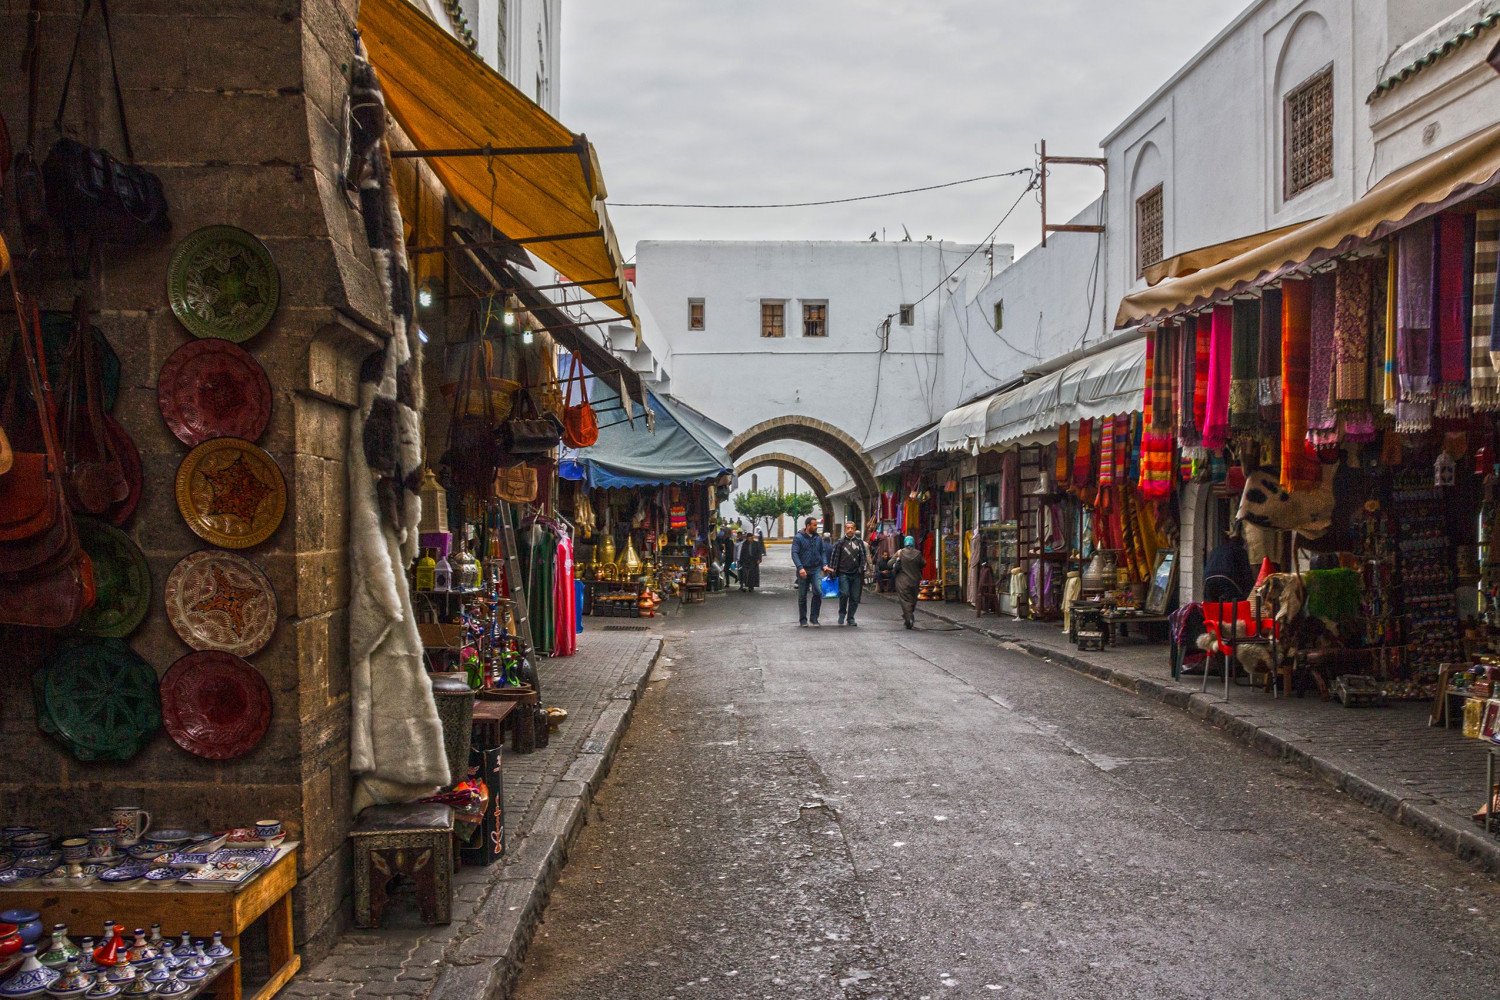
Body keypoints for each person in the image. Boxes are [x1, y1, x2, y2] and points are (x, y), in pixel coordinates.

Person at [828, 521, 869, 626]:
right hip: (843, 573)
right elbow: (834, 557)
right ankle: (842, 613)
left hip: (856, 574)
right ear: (845, 529)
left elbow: (863, 557)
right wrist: (832, 570)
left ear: (855, 529)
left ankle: (851, 618)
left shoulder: (859, 542)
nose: (850, 530)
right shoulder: (840, 543)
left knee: (855, 597)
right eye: (848, 528)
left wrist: (862, 568)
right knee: (844, 593)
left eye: (852, 528)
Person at [791, 516, 825, 626]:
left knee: (818, 592)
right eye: (814, 525)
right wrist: (800, 567)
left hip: (815, 569)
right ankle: (803, 620)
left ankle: (814, 618)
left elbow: (822, 552)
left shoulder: (818, 538)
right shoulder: (798, 538)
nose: (816, 527)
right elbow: (794, 553)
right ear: (808, 526)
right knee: (802, 596)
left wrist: (824, 564)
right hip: (803, 570)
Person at [894, 534, 925, 629]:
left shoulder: (900, 553)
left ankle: (909, 618)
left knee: (905, 600)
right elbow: (923, 564)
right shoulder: (918, 553)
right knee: (913, 599)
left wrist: (897, 560)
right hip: (915, 581)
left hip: (902, 581)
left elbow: (889, 563)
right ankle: (909, 616)